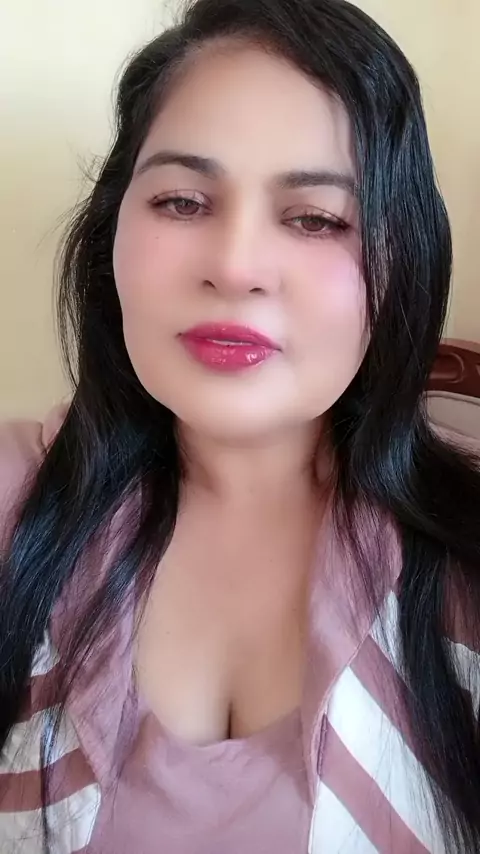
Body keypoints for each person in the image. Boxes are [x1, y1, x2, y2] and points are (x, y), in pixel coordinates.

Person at [1, 0, 480, 851]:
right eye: (183, 202)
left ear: (401, 259)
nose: (235, 266)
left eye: (316, 218)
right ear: (111, 234)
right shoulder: (14, 502)